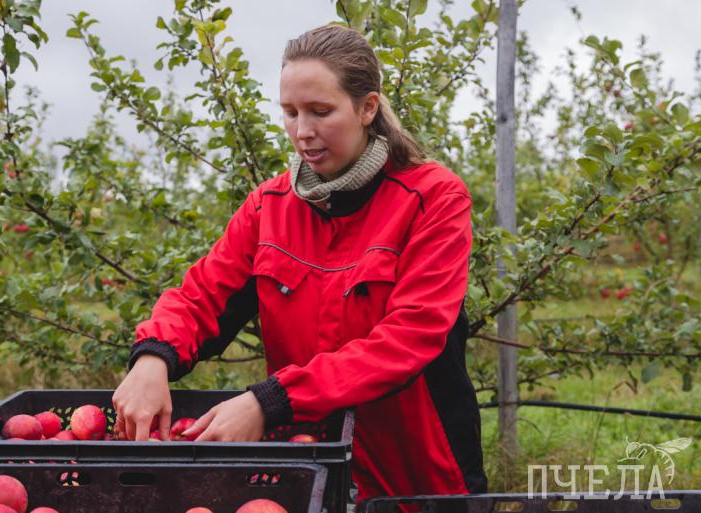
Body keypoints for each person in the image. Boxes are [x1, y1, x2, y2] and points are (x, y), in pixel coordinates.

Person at [113, 24, 487, 502]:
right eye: (290, 112)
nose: (302, 132)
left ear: (367, 108)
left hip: (418, 476)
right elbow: (202, 296)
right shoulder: (269, 207)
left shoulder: (432, 198)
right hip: (310, 468)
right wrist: (152, 357)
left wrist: (270, 402)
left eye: (320, 111)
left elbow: (411, 337)